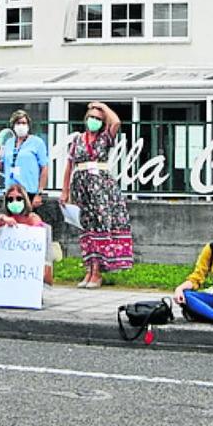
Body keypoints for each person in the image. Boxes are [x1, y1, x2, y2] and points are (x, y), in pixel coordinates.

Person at [61, 102, 133, 288]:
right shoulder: (77, 140)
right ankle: (89, 269)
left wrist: (101, 106)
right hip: (81, 185)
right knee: (86, 228)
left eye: (98, 119)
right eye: (91, 117)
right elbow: (69, 166)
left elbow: (116, 122)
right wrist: (65, 190)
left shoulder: (104, 138)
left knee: (100, 226)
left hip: (101, 186)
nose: (94, 121)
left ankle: (98, 271)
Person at [0, 182, 55, 285]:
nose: (14, 202)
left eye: (18, 199)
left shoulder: (32, 218)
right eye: (10, 199)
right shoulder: (3, 219)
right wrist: (1, 219)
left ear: (25, 200)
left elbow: (39, 240)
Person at [0, 110, 51, 209]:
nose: (21, 126)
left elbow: (44, 168)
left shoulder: (37, 142)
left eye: (24, 123)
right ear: (13, 125)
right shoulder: (9, 143)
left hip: (29, 191)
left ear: (28, 125)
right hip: (11, 192)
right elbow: (3, 166)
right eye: (18, 123)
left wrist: (40, 192)